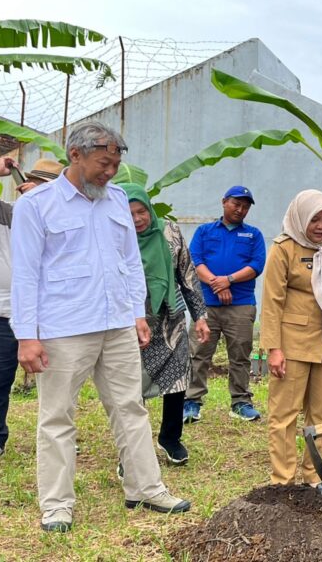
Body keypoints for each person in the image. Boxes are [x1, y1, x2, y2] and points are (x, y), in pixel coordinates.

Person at [11, 122, 190, 532]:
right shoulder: (36, 205)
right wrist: (27, 336)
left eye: (115, 164)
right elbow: (25, 274)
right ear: (75, 155)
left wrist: (137, 314)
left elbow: (129, 261)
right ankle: (57, 505)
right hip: (63, 328)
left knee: (130, 407)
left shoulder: (117, 201)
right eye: (103, 163)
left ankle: (145, 488)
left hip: (117, 325)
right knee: (57, 416)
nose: (110, 172)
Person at [261, 190, 322, 494]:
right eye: (314, 219)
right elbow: (272, 301)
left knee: (319, 414)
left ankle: (313, 477)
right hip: (293, 344)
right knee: (284, 415)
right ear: (301, 218)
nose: (321, 226)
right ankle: (282, 480)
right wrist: (274, 349)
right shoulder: (283, 248)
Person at [120, 184, 210, 465]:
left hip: (170, 320)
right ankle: (131, 449)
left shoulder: (170, 231)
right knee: (131, 386)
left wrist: (200, 316)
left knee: (178, 379)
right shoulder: (116, 236)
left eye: (141, 211)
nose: (137, 219)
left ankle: (170, 438)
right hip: (130, 323)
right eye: (130, 213)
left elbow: (187, 274)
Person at [0, 156, 62, 460]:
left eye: (45, 187)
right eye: (31, 183)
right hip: (2, 311)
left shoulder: (60, 218)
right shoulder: (1, 211)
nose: (33, 189)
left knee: (59, 380)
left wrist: (44, 205)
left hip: (50, 312)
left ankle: (60, 437)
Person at [185, 185, 266, 423]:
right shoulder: (204, 231)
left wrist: (228, 280)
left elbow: (256, 265)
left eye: (245, 207)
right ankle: (191, 402)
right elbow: (195, 260)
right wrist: (217, 284)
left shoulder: (253, 235)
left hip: (241, 304)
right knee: (198, 353)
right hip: (206, 304)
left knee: (240, 355)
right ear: (224, 202)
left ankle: (241, 402)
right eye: (236, 204)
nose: (240, 210)